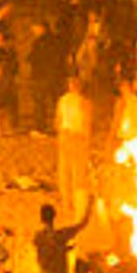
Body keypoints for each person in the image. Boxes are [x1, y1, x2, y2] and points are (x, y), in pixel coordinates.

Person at [57, 76, 94, 210]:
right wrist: (88, 141)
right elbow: (87, 123)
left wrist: (60, 136)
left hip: (64, 135)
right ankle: (78, 202)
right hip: (78, 136)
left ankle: (66, 202)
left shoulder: (62, 100)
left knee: (64, 171)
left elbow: (58, 120)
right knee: (78, 172)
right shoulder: (84, 102)